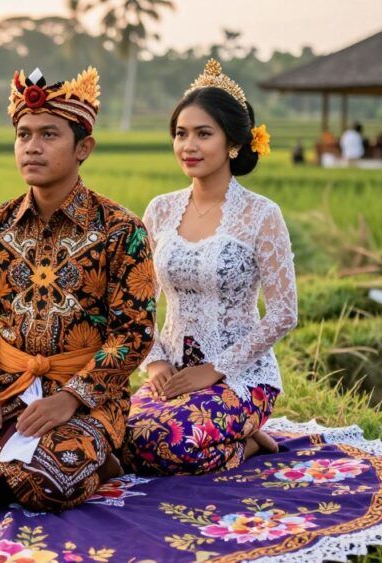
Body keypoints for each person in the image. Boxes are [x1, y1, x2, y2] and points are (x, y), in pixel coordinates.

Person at [0, 67, 157, 512]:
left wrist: (71, 398)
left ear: (83, 147)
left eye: (49, 134)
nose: (32, 146)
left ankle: (104, 454)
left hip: (85, 397)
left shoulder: (122, 229)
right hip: (7, 389)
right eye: (23, 134)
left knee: (43, 482)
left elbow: (133, 332)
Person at [122, 59, 298, 476]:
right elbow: (137, 302)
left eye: (204, 134)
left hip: (242, 378)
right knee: (117, 436)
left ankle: (248, 443)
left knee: (171, 443)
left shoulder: (261, 214)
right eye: (181, 134)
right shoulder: (160, 210)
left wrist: (216, 369)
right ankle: (239, 440)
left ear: (233, 143)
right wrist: (156, 362)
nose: (189, 146)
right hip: (173, 375)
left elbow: (283, 313)